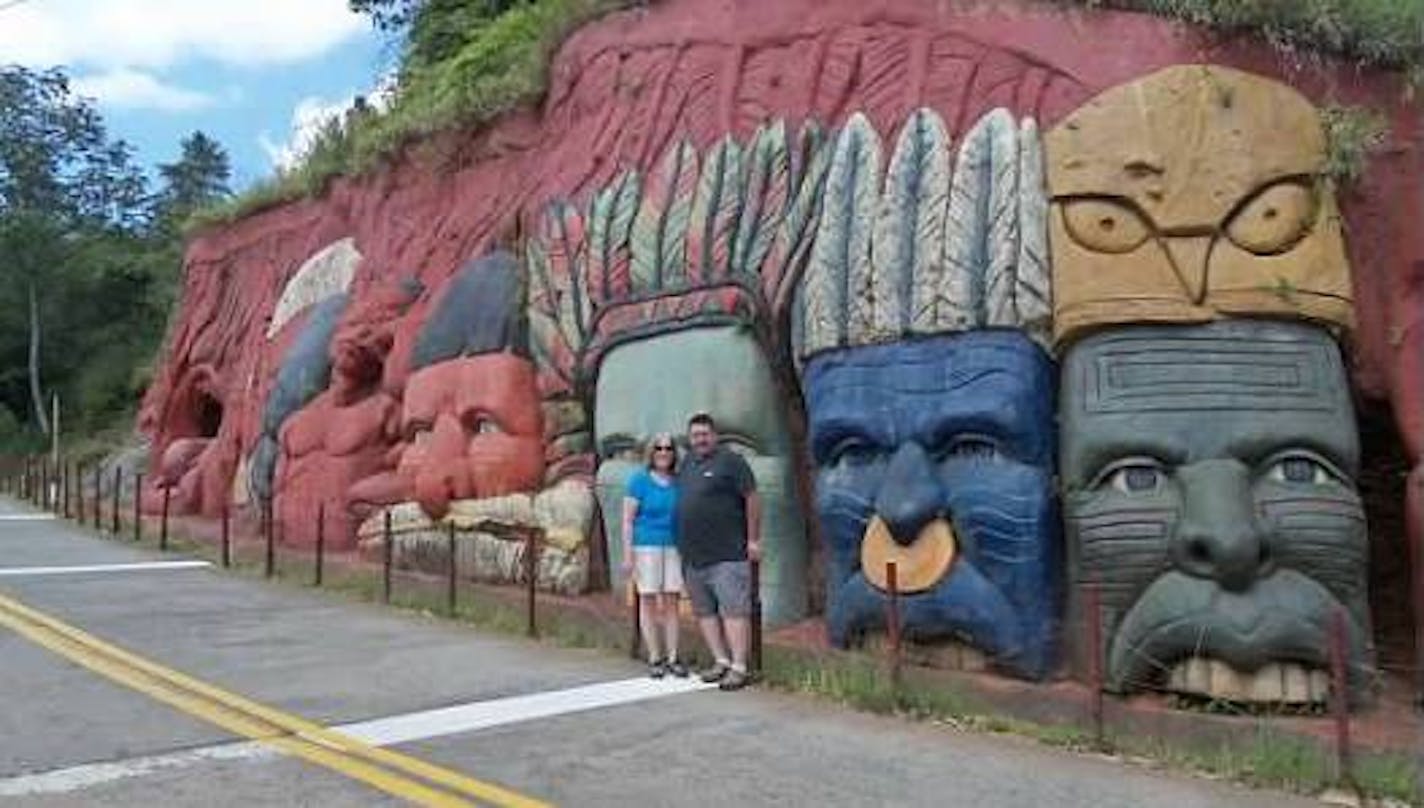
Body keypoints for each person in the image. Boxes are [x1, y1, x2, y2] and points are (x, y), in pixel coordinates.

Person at [676, 412, 760, 691]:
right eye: (695, 435)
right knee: (704, 612)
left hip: (727, 554)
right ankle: (720, 660)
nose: (700, 440)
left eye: (704, 434)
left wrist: (753, 539)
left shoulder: (732, 462)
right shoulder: (687, 464)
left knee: (734, 610)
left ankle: (739, 666)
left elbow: (752, 498)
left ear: (714, 436)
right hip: (694, 555)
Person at [620, 432, 688, 678]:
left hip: (673, 545)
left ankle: (673, 655)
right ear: (651, 452)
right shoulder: (639, 481)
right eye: (658, 448)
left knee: (671, 600)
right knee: (648, 600)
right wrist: (628, 555)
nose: (663, 453)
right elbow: (627, 520)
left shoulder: (679, 481)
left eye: (668, 448)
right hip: (646, 544)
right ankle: (654, 656)